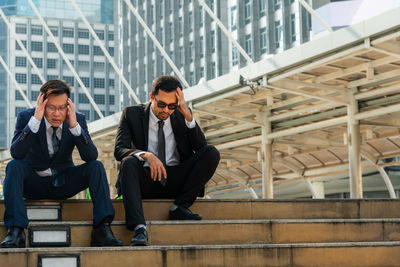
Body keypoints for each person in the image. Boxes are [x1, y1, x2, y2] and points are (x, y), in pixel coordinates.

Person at [0, 79, 122, 248]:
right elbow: (17, 153)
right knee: (14, 166)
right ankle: (15, 231)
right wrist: (36, 120)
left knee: (96, 167)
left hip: (63, 182)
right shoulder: (27, 117)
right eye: (52, 108)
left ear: (68, 105)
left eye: (62, 107)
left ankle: (102, 229)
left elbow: (90, 156)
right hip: (34, 183)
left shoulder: (77, 119)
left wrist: (74, 127)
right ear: (42, 104)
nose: (57, 114)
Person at [114, 75, 220, 246]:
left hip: (175, 180)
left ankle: (180, 207)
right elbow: (119, 150)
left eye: (172, 106)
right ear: (151, 97)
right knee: (128, 162)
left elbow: (202, 148)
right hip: (145, 180)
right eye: (161, 104)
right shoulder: (131, 114)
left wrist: (187, 115)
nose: (166, 111)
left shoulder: (180, 116)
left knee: (212, 153)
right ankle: (139, 228)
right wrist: (146, 155)